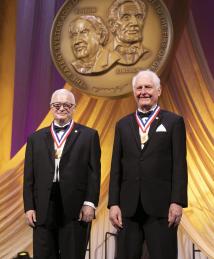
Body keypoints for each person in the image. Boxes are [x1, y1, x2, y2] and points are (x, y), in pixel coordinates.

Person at [108, 70, 188, 259]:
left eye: (148, 87)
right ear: (134, 92)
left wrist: (177, 201)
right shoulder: (122, 124)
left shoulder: (174, 122)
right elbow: (116, 167)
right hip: (128, 207)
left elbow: (179, 165)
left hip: (162, 207)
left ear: (158, 91)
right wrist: (113, 203)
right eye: (139, 88)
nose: (143, 91)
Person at [23, 89, 101, 259]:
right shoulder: (35, 138)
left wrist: (90, 203)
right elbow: (29, 176)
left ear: (74, 108)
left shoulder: (89, 136)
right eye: (57, 105)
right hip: (44, 206)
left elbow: (94, 173)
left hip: (76, 208)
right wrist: (29, 207)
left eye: (67, 105)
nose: (61, 108)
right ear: (51, 108)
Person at [108, 0, 150, 65]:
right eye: (126, 17)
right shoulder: (103, 54)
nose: (135, 23)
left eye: (138, 17)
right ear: (112, 24)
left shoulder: (148, 53)